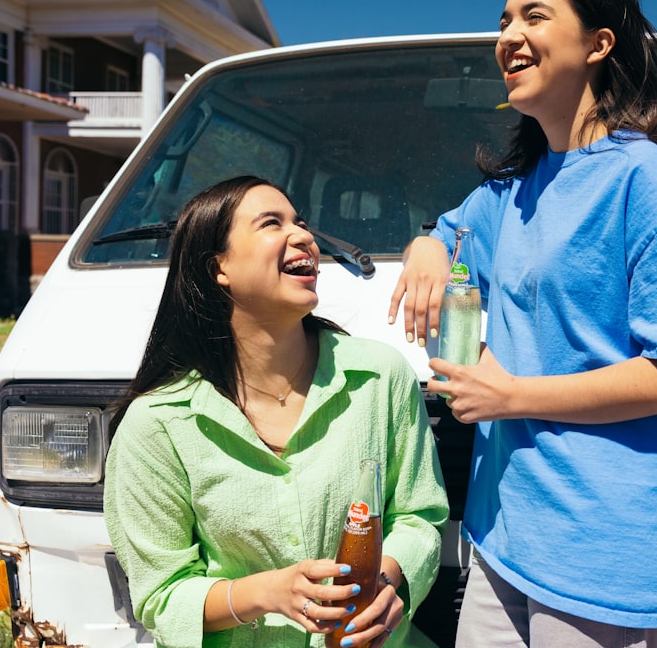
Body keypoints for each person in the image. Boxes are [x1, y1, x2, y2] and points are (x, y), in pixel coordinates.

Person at [388, 0, 657, 648]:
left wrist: (511, 396)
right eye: (503, 20)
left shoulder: (655, 187)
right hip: (506, 537)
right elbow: (456, 229)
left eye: (534, 16)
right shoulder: (517, 187)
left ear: (599, 44)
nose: (507, 36)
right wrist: (427, 244)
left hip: (605, 556)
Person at [105, 175, 449, 648]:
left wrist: (390, 582)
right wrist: (265, 593)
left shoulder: (381, 377)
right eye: (272, 223)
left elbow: (418, 515)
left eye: (301, 222)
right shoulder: (157, 424)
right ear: (218, 267)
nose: (304, 235)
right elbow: (161, 596)